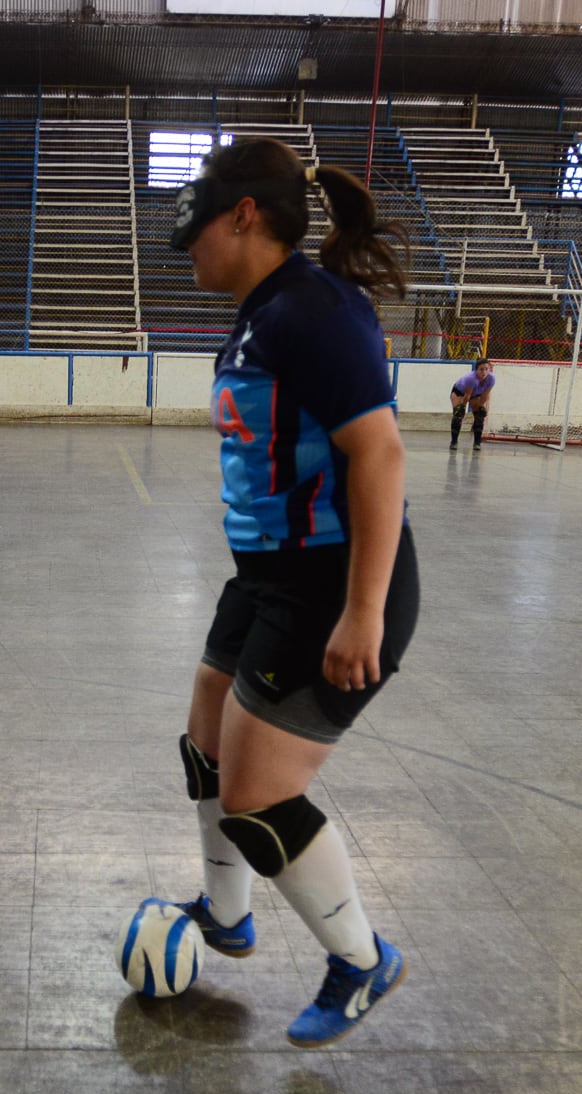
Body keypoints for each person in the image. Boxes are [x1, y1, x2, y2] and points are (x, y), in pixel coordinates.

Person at [153, 139, 420, 1047]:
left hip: (327, 582)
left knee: (258, 793)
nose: (185, 251)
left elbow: (380, 454)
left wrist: (363, 609)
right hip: (268, 575)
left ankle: (360, 959)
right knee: (205, 737)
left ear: (244, 216)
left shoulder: (311, 312)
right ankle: (227, 913)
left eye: (196, 233)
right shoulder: (264, 311)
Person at [450, 357, 495, 451]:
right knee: (458, 414)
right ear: (476, 370)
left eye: (486, 369)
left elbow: (485, 395)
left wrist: (481, 406)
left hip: (477, 394)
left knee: (479, 415)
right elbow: (467, 396)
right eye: (481, 369)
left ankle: (477, 442)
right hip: (460, 392)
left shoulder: (491, 379)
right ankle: (454, 441)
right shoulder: (471, 379)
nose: (484, 372)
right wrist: (462, 407)